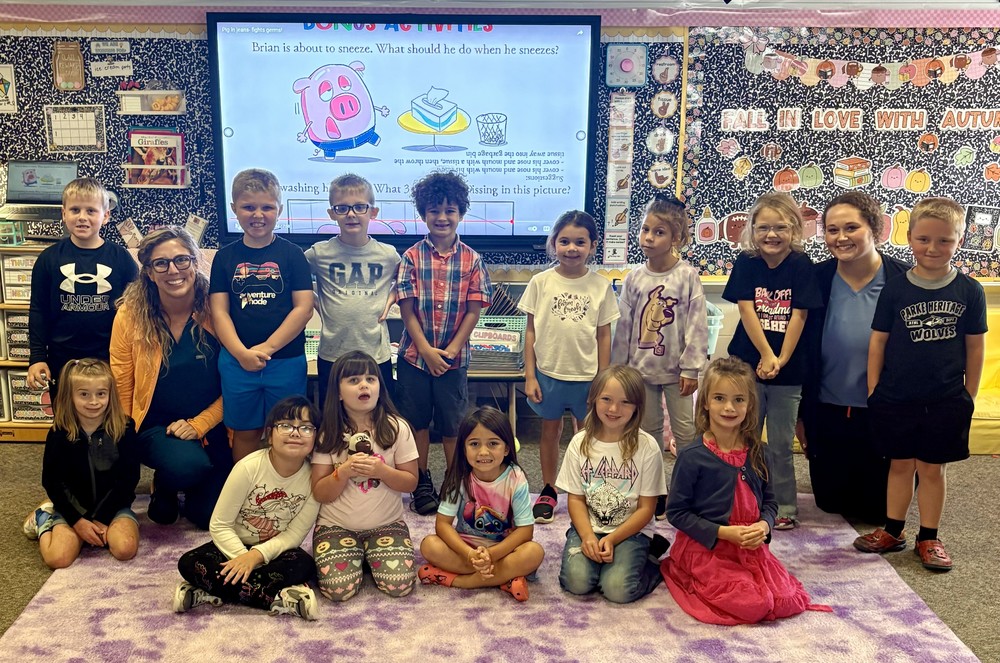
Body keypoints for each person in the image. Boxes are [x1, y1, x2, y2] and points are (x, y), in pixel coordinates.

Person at [855, 197, 986, 571]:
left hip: (945, 399)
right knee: (899, 466)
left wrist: (969, 395)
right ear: (909, 237)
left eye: (944, 240)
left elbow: (975, 349)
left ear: (959, 241)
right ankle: (892, 530)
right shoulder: (895, 290)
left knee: (932, 469)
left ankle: (928, 536)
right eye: (924, 239)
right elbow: (877, 342)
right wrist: (873, 390)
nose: (933, 248)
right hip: (895, 396)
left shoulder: (970, 291)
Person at [662, 356, 818, 624]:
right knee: (753, 605)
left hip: (749, 547)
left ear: (750, 404)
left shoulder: (759, 452)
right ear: (706, 403)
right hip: (708, 547)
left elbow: (770, 504)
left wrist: (764, 527)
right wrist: (724, 533)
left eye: (738, 400)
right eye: (720, 398)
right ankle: (682, 569)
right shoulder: (692, 456)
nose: (729, 407)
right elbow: (676, 512)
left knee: (783, 601)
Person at [799, 192, 909, 523]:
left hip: (882, 411)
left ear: (874, 228)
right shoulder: (815, 279)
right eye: (832, 230)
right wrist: (801, 416)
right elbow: (801, 352)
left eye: (851, 228)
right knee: (831, 504)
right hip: (828, 410)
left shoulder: (904, 280)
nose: (840, 237)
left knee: (876, 513)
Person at [111, 226, 231, 529]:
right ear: (148, 271)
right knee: (186, 466)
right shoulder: (131, 314)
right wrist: (125, 438)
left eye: (182, 260)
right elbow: (122, 377)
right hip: (155, 426)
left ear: (195, 261)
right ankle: (166, 481)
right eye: (160, 263)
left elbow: (238, 381)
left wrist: (199, 424)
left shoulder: (218, 309)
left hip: (212, 425)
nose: (173, 270)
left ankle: (182, 482)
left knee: (208, 518)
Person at [394, 171, 492, 515]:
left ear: (461, 213)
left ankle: (455, 480)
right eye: (434, 210)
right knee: (417, 423)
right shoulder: (410, 257)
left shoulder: (472, 259)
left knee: (453, 425)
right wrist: (425, 350)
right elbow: (407, 310)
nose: (442, 217)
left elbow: (474, 309)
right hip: (413, 359)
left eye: (450, 210)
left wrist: (450, 351)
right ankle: (422, 479)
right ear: (423, 214)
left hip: (454, 359)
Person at [722, 192, 820, 530]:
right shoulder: (747, 262)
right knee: (744, 438)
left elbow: (799, 315)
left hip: (788, 370)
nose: (772, 235)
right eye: (763, 227)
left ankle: (785, 505)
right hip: (748, 363)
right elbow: (746, 309)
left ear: (794, 229)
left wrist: (779, 360)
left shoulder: (801, 265)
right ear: (752, 229)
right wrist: (765, 355)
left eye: (780, 227)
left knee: (779, 443)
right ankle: (744, 500)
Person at [174, 396, 321, 620]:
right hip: (233, 546)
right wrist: (242, 558)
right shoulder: (248, 467)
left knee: (305, 565)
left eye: (306, 428)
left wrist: (255, 558)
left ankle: (206, 591)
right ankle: (282, 598)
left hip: (274, 550)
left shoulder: (315, 479)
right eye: (286, 426)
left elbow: (294, 535)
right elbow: (220, 525)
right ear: (270, 434)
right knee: (190, 562)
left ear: (316, 437)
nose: (295, 433)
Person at [611, 194, 708, 521]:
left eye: (659, 232)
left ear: (676, 238)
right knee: (647, 435)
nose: (649, 238)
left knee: (685, 435)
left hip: (678, 374)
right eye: (645, 230)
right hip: (639, 374)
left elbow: (696, 324)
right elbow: (624, 327)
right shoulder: (635, 278)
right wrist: (618, 371)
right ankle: (656, 493)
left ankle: (686, 493)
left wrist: (692, 368)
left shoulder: (687, 276)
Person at [519, 210, 620, 524]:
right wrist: (530, 374)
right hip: (548, 375)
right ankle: (549, 488)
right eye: (564, 241)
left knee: (587, 437)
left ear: (592, 245)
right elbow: (531, 331)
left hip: (588, 378)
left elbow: (604, 333)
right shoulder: (540, 282)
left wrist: (603, 379)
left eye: (580, 242)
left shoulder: (600, 286)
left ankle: (586, 489)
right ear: (554, 243)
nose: (572, 248)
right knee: (549, 433)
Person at [210, 168, 314, 461]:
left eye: (267, 207)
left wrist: (267, 349)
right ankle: (245, 492)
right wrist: (241, 353)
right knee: (245, 432)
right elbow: (219, 312)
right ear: (234, 209)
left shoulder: (293, 255)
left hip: (285, 360)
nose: (258, 214)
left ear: (279, 210)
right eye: (248, 206)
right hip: (237, 361)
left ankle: (284, 491)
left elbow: (304, 308)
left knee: (287, 430)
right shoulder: (224, 257)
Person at [311, 351, 420, 600]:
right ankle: (362, 558)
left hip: (386, 524)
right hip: (336, 526)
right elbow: (320, 492)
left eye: (371, 379)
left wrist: (382, 471)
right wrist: (344, 471)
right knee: (338, 590)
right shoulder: (328, 432)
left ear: (380, 388)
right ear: (338, 393)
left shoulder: (397, 428)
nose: (364, 385)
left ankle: (370, 557)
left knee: (400, 585)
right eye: (353, 380)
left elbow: (410, 481)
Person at [556, 365, 667, 604]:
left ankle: (651, 562)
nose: (614, 409)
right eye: (606, 399)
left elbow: (647, 509)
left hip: (630, 531)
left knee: (618, 590)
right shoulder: (579, 443)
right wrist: (587, 537)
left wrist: (613, 539)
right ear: (594, 399)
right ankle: (605, 562)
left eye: (626, 402)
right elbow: (575, 498)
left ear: (637, 406)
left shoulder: (647, 448)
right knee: (577, 582)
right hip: (588, 527)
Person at [27, 177, 138, 405]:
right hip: (62, 357)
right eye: (75, 210)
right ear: (64, 213)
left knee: (109, 418)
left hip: (110, 356)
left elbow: (136, 310)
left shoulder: (122, 259)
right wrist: (37, 357)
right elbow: (38, 311)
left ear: (105, 216)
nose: (82, 217)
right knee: (67, 420)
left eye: (91, 210)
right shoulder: (48, 259)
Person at [22, 359, 140, 569]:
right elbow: (52, 481)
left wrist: (103, 518)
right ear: (70, 395)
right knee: (58, 559)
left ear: (110, 395)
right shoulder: (59, 432)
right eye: (84, 394)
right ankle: (43, 517)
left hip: (113, 507)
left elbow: (129, 478)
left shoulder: (125, 427)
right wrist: (77, 520)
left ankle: (97, 526)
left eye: (101, 394)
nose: (93, 401)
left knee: (125, 549)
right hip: (72, 508)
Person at [418, 406, 545, 602]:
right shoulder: (459, 476)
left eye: (493, 443)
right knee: (429, 545)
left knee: (534, 552)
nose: (483, 452)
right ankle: (504, 580)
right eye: (474, 444)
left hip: (503, 549)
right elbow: (442, 524)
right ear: (463, 448)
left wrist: (492, 555)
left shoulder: (515, 477)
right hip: (466, 547)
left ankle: (460, 581)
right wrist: (470, 554)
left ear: (507, 449)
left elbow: (525, 531)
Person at [306, 173, 401, 406]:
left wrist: (392, 298)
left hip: (376, 355)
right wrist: (316, 302)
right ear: (332, 213)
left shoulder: (388, 255)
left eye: (360, 207)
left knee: (379, 418)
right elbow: (293, 280)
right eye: (342, 208)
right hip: (333, 353)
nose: (351, 214)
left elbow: (409, 281)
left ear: (373, 212)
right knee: (333, 418)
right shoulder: (319, 253)